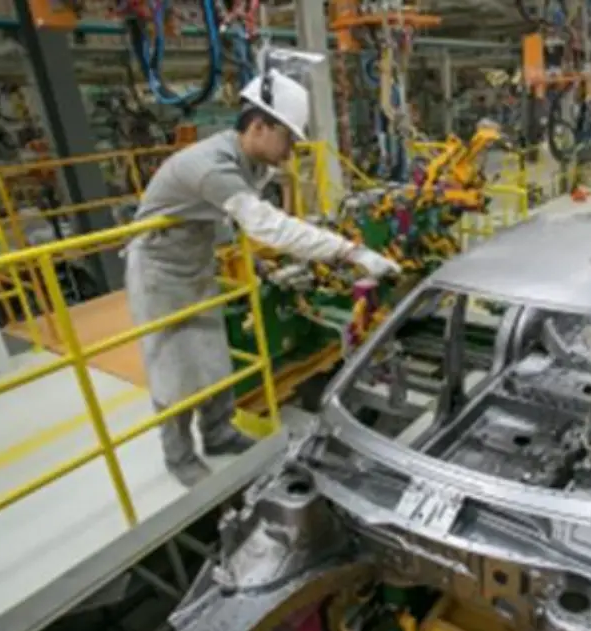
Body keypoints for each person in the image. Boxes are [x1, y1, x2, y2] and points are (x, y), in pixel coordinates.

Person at [126, 70, 399, 487]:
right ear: (258, 126)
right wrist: (350, 251)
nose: (291, 151)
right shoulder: (210, 166)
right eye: (287, 138)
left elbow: (256, 213)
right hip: (158, 271)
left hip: (196, 262)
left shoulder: (252, 163)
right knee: (173, 368)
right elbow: (268, 226)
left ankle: (218, 434)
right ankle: (179, 457)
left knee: (213, 354)